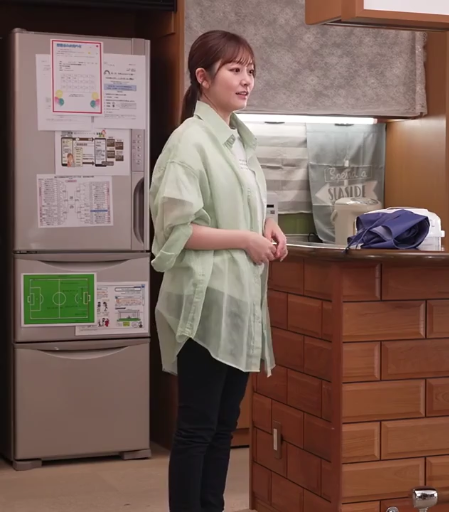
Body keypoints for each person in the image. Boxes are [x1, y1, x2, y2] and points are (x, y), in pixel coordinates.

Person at [149, 29, 288, 512]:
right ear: (203, 78)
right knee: (196, 428)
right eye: (235, 70)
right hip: (204, 303)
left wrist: (267, 223)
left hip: (237, 301)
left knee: (224, 427)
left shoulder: (239, 141)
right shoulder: (190, 140)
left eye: (251, 71)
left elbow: (246, 202)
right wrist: (245, 239)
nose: (247, 80)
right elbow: (177, 231)